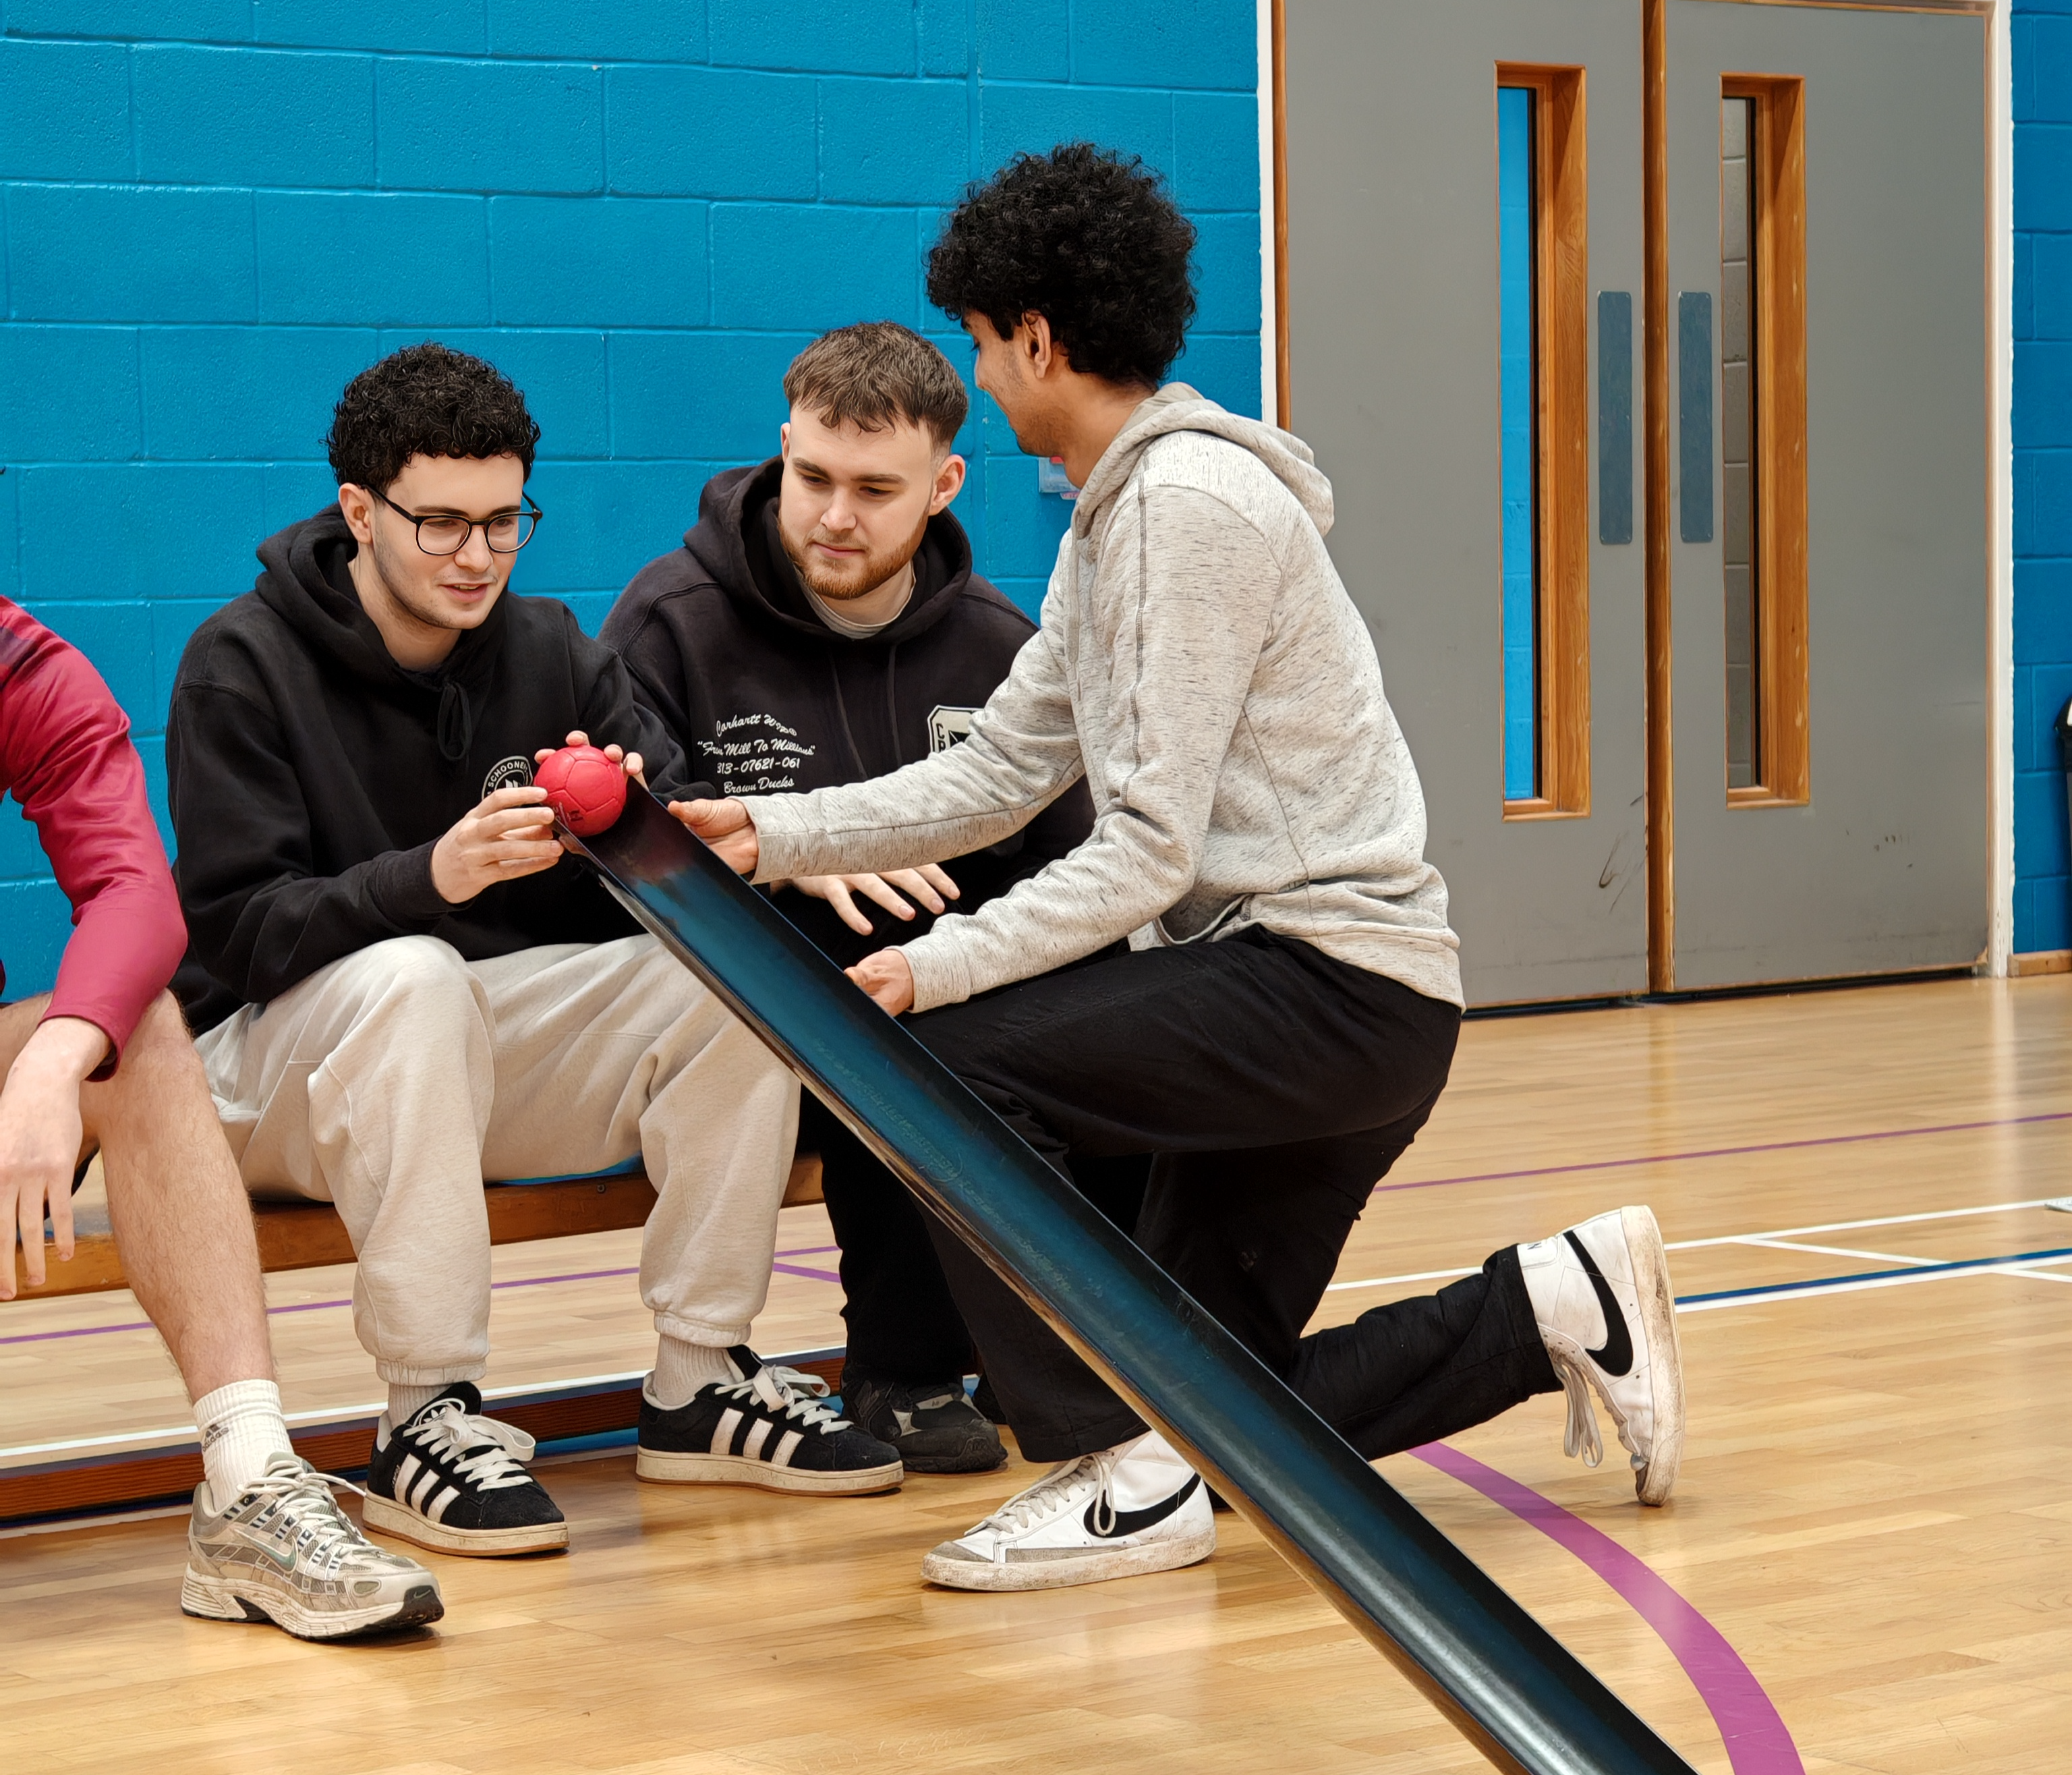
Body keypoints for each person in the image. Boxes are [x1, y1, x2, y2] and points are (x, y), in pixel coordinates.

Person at [674, 145, 1687, 1593]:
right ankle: (1550, 1306)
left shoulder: (1182, 508)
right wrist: (771, 832)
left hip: (1327, 989)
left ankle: (1111, 1472)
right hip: (1310, 996)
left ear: (1034, 338)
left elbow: (1145, 847)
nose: (981, 362)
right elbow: (1002, 770)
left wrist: (930, 968)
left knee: (938, 1064)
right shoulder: (1115, 517)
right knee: (1212, 1413)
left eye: (978, 340)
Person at [166, 344, 902, 1561]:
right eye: (441, 523)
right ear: (358, 510)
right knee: (415, 968)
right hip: (261, 1080)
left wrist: (658, 841)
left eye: (504, 522)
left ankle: (698, 1376)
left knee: (733, 965)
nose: (477, 557)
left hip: (453, 1064)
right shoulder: (240, 663)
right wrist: (433, 875)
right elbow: (241, 938)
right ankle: (424, 1414)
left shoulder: (553, 650)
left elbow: (655, 871)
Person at [604, 320, 1136, 1474]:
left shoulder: (1002, 647)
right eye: (812, 478)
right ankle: (898, 1368)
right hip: (735, 1035)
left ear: (944, 485)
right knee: (885, 996)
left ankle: (1066, 1338)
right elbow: (634, 870)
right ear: (781, 448)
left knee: (1094, 994)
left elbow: (1076, 864)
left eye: (874, 489)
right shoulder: (668, 624)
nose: (834, 515)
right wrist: (794, 855)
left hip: (951, 1001)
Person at [1, 595, 441, 1637]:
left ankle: (247, 1482)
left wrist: (55, 1060)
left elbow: (134, 896)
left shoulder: (19, 663)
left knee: (134, 1022)